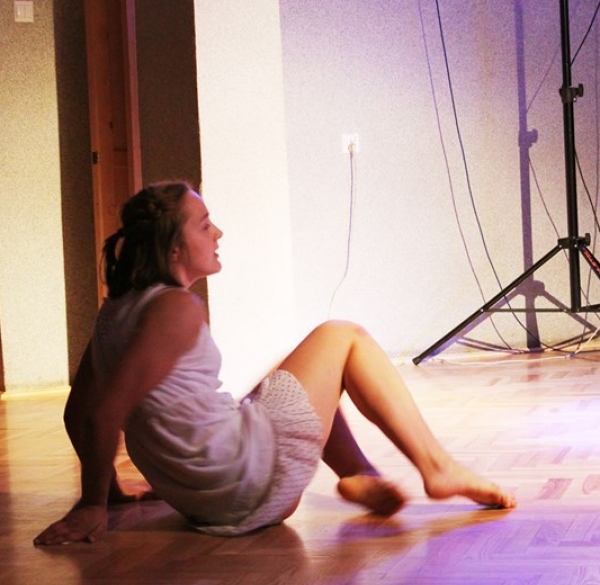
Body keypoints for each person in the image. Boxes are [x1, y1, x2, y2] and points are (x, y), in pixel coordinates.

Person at [34, 181, 515, 546]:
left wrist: (113, 491)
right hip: (242, 482)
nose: (217, 232)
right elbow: (103, 414)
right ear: (174, 248)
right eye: (204, 224)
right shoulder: (175, 308)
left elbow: (78, 412)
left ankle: (360, 474)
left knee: (287, 379)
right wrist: (92, 505)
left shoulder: (114, 311)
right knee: (343, 335)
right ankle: (438, 467)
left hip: (199, 499)